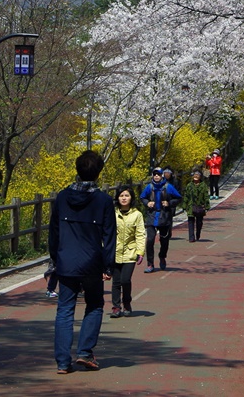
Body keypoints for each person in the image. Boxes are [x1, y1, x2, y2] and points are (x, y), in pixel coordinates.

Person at [51, 150, 116, 374]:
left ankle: (62, 361)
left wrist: (55, 258)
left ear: (77, 170)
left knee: (65, 309)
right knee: (95, 305)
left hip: (66, 261)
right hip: (92, 262)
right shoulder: (104, 200)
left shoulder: (62, 196)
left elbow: (54, 232)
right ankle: (85, 352)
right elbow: (109, 236)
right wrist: (108, 265)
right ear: (98, 173)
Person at [110, 185, 145, 318]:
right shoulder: (113, 214)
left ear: (131, 198)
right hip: (115, 252)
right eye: (121, 196)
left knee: (125, 280)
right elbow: (107, 233)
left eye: (126, 195)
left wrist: (140, 251)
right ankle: (116, 307)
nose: (124, 198)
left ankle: (127, 303)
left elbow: (140, 234)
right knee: (116, 281)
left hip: (130, 253)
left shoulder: (137, 215)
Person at [140, 167, 181, 272]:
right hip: (151, 216)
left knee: (164, 240)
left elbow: (178, 198)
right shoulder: (149, 187)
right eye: (155, 174)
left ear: (162, 175)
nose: (156, 176)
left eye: (158, 174)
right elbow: (142, 197)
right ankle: (150, 264)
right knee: (149, 240)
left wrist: (169, 203)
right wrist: (147, 203)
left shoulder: (168, 187)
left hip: (164, 217)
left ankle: (162, 256)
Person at [182, 170, 211, 242]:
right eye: (194, 174)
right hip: (191, 206)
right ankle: (191, 237)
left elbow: (206, 196)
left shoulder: (203, 185)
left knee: (199, 222)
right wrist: (184, 206)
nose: (196, 176)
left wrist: (207, 206)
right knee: (190, 221)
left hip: (200, 206)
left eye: (197, 175)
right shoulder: (189, 185)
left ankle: (198, 234)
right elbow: (186, 196)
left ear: (200, 176)